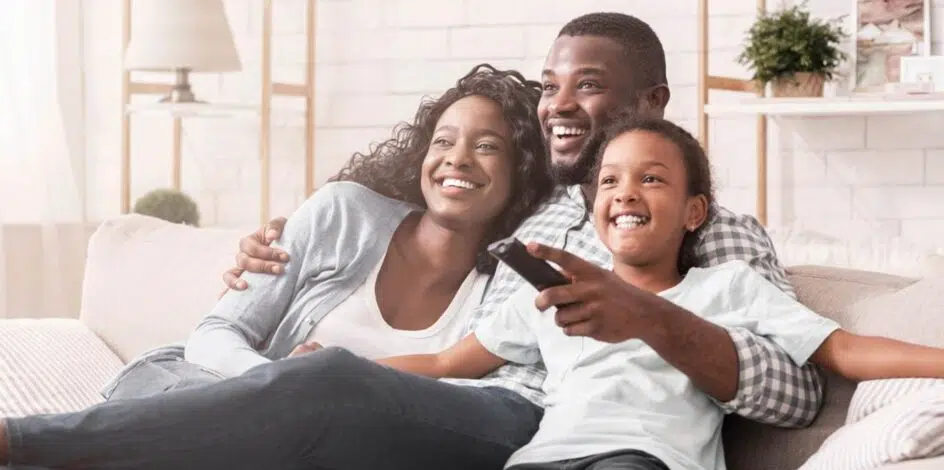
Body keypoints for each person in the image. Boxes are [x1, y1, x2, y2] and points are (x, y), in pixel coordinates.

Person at [0, 13, 827, 470]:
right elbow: (425, 201)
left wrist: (644, 315)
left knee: (323, 382)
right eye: (551, 87)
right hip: (421, 397)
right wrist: (259, 251)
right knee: (164, 372)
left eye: (587, 87)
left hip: (532, 419)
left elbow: (792, 387)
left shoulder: (712, 231)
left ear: (653, 106)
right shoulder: (523, 206)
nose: (557, 105)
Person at [375, 116, 944, 470]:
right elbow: (448, 360)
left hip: (646, 459)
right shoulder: (553, 295)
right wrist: (343, 360)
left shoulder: (727, 288)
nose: (625, 193)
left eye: (651, 179)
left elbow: (842, 350)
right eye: (609, 181)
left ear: (694, 212)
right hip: (540, 459)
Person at [91, 63, 554, 402]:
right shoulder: (345, 213)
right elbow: (216, 332)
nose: (457, 159)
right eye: (444, 141)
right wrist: (282, 380)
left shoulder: (497, 295)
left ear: (523, 173)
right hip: (199, 387)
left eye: (487, 146)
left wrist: (321, 389)